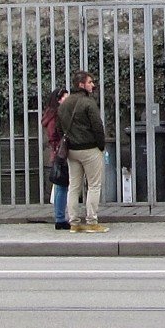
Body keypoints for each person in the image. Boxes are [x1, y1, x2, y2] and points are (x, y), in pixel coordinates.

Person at [58, 71, 109, 232]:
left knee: (74, 186)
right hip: (89, 149)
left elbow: (60, 127)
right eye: (90, 82)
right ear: (81, 84)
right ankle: (92, 222)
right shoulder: (88, 103)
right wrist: (101, 145)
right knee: (94, 185)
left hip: (71, 150)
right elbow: (98, 127)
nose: (93, 85)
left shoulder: (65, 104)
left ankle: (73, 223)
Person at [39, 87, 70, 231]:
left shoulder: (51, 115)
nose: (68, 100)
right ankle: (60, 218)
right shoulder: (56, 116)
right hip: (61, 153)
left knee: (60, 185)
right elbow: (54, 136)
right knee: (62, 185)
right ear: (58, 100)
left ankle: (60, 216)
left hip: (57, 152)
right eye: (65, 97)